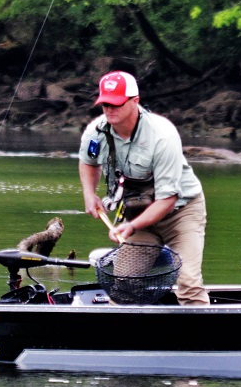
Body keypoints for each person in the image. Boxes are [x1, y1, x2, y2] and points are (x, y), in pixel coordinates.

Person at [78, 70, 210, 305]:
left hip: (181, 213)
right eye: (105, 103)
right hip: (138, 214)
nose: (109, 109)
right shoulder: (96, 132)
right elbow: (88, 162)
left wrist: (131, 226)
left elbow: (167, 199)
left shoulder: (162, 135)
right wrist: (90, 194)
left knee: (188, 284)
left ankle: (200, 337)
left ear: (135, 101)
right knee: (123, 284)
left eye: (116, 103)